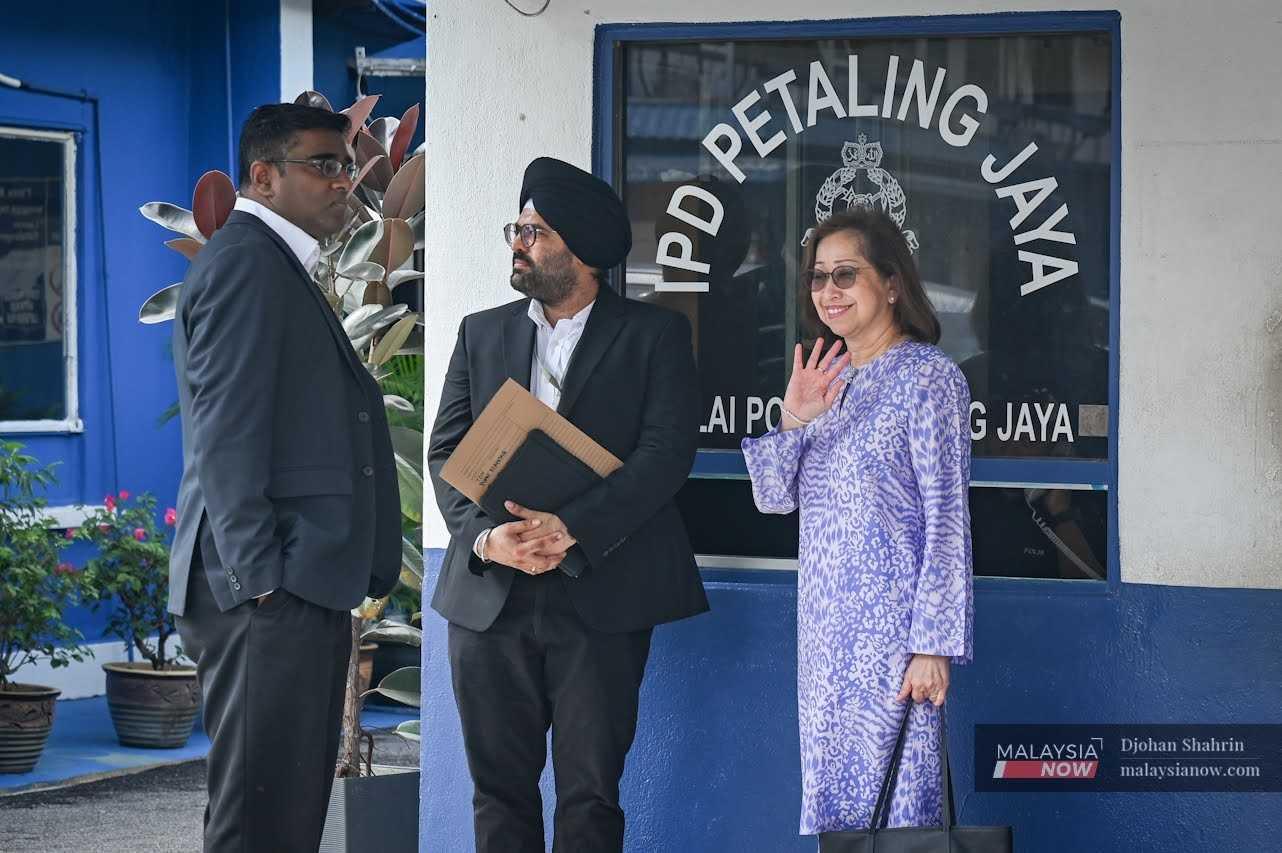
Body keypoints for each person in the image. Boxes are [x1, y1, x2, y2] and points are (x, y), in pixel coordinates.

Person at [428, 156, 709, 853]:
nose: (517, 243)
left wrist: (572, 528)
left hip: (601, 593)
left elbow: (666, 456)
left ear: (579, 251)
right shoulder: (480, 331)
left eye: (533, 231)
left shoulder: (656, 336)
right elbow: (446, 455)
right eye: (516, 229)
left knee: (590, 796)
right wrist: (489, 538)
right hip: (489, 595)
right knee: (498, 792)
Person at [168, 103, 401, 852]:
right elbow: (227, 435)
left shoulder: (274, 264)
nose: (344, 182)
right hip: (266, 594)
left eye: (346, 165)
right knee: (260, 818)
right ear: (263, 177)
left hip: (289, 585)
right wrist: (262, 580)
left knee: (287, 812)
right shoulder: (246, 265)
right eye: (323, 165)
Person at [741, 207, 974, 835]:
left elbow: (948, 521)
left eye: (846, 274)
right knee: (841, 817)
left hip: (894, 641)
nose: (828, 291)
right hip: (825, 639)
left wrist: (933, 644)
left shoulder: (930, 380)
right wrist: (794, 419)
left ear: (892, 283)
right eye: (818, 278)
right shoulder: (830, 381)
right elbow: (772, 499)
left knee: (900, 818)